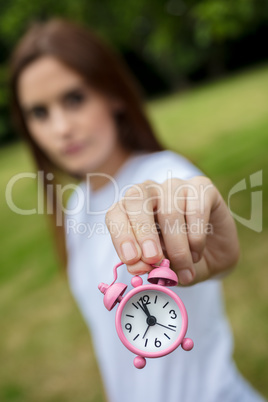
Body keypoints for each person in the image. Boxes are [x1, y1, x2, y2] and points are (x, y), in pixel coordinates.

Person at [9, 18, 265, 402]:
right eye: (39, 113)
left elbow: (181, 200)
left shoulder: (164, 174)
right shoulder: (77, 207)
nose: (60, 128)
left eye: (74, 98)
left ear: (112, 93)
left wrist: (195, 227)